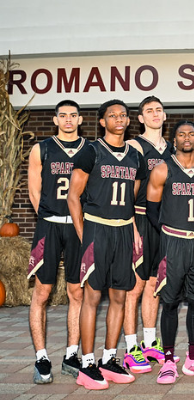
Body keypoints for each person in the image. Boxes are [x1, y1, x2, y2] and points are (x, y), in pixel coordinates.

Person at [67, 99, 147, 389]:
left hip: (123, 231)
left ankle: (109, 358)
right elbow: (73, 196)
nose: (119, 119)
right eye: (112, 115)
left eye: (123, 115)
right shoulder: (91, 151)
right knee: (91, 297)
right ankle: (87, 364)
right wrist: (83, 234)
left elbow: (131, 197)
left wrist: (133, 230)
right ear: (102, 122)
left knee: (120, 297)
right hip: (96, 229)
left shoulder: (135, 156)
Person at [147, 120, 194, 383]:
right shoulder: (162, 169)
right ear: (174, 140)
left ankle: (193, 358)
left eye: (192, 134)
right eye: (181, 134)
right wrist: (169, 233)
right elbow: (152, 209)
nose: (187, 138)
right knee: (169, 302)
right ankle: (168, 361)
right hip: (173, 242)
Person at [27, 100, 88, 383]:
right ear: (55, 120)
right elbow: (35, 191)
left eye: (72, 115)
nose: (67, 120)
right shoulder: (42, 148)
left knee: (77, 292)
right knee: (42, 291)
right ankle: (41, 357)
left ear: (79, 119)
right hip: (50, 226)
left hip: (78, 228)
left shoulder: (90, 149)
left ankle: (71, 354)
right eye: (62, 115)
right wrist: (49, 218)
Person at [123, 96, 172, 372]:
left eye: (159, 110)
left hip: (163, 222)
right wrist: (131, 227)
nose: (155, 114)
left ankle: (150, 342)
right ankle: (131, 347)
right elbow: (128, 193)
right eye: (149, 111)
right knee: (136, 286)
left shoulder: (172, 148)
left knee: (155, 284)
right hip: (140, 219)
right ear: (140, 118)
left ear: (165, 116)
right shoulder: (134, 146)